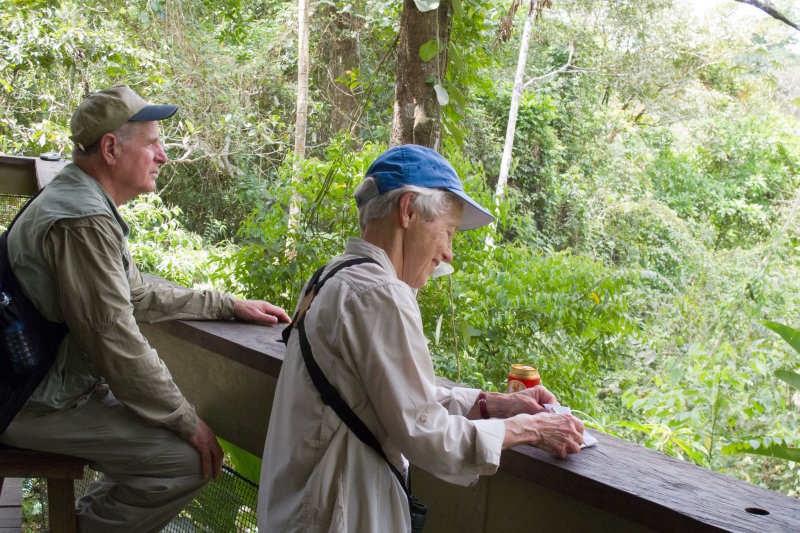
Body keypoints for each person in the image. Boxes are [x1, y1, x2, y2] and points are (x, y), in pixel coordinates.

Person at [0, 85, 290, 533]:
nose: (164, 156)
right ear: (112, 148)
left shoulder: (77, 195)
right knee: (188, 462)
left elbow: (133, 294)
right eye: (153, 143)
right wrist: (187, 420)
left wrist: (226, 304)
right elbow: (114, 337)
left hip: (33, 384)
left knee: (163, 446)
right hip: (26, 400)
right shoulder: (83, 221)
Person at [258, 144, 585, 532]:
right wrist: (532, 429)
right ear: (408, 210)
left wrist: (498, 405)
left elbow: (392, 395)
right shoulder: (381, 294)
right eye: (448, 232)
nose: (448, 253)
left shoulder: (331, 276)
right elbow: (426, 433)